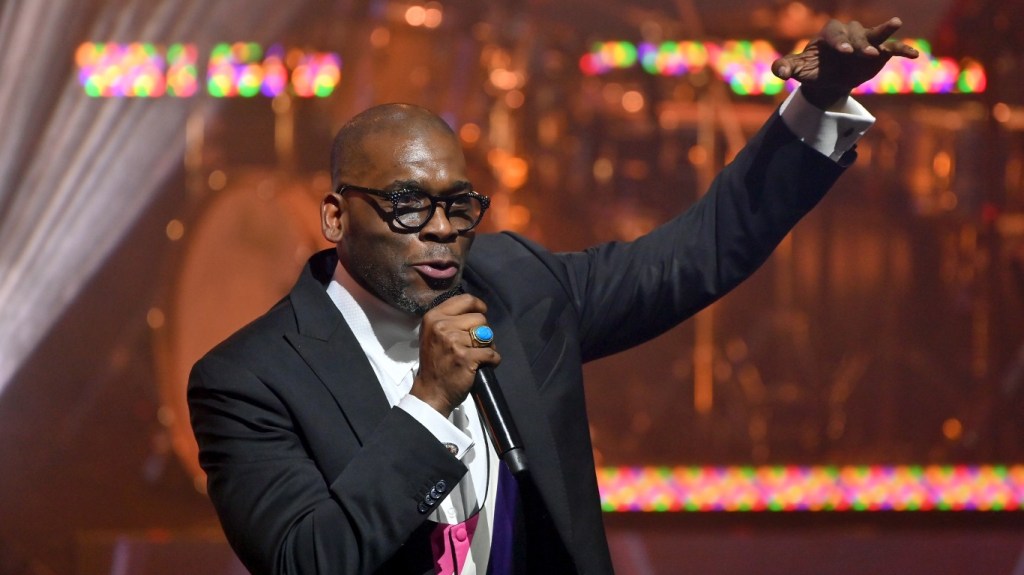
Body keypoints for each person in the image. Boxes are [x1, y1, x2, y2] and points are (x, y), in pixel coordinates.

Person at [188, 17, 918, 575]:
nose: (441, 232)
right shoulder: (249, 380)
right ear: (336, 218)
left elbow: (696, 254)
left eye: (458, 205)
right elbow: (309, 559)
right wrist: (428, 404)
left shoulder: (519, 288)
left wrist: (815, 104)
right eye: (407, 205)